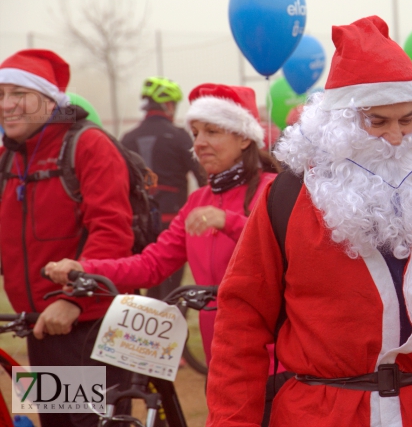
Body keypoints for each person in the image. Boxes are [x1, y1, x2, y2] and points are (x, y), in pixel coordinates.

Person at [205, 16, 412, 427]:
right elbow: (242, 322)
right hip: (321, 415)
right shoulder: (286, 200)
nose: (396, 138)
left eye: (407, 120)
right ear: (339, 127)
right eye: (377, 122)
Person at [46, 83, 278, 368]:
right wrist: (86, 269)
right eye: (195, 134)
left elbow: (287, 249)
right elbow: (151, 265)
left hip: (273, 358)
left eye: (212, 132)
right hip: (219, 358)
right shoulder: (198, 201)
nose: (199, 143)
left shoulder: (273, 189)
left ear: (244, 138)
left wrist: (230, 222)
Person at [0, 49, 133, 427]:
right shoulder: (9, 159)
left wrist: (72, 300)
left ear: (47, 99)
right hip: (40, 329)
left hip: (90, 329)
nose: (7, 105)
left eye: (18, 93)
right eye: (0, 94)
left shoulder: (88, 144)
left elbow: (112, 230)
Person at [121, 76, 206, 300]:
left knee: (145, 288)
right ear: (168, 105)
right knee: (171, 293)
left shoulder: (127, 139)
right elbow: (204, 177)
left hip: (138, 225)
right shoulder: (180, 137)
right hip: (173, 223)